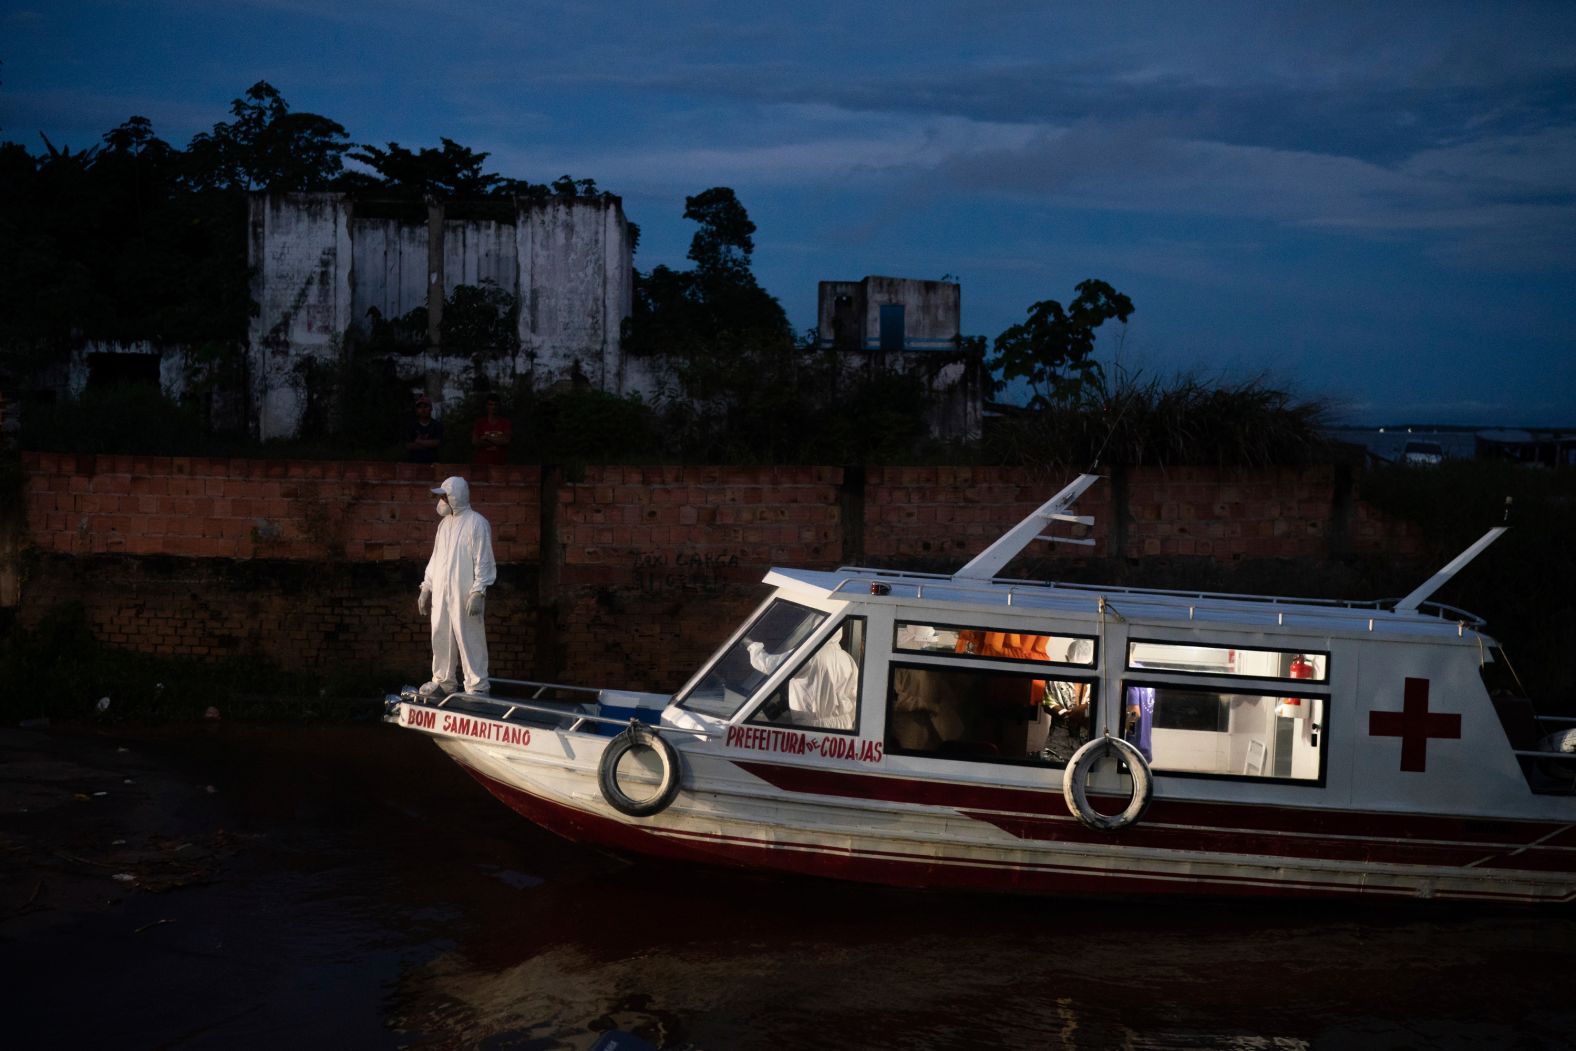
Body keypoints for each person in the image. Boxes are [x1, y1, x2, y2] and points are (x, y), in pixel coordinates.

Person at [418, 476, 496, 697]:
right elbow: (436, 559)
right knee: (440, 634)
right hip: (442, 592)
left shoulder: (477, 523)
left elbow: (484, 560)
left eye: (444, 496)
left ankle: (477, 685)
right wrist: (426, 587)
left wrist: (479, 591)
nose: (440, 501)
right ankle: (443, 681)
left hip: (464, 592)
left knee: (469, 636)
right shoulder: (444, 525)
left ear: (455, 497)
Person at [748, 630, 858, 730]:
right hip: (844, 726)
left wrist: (752, 647)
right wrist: (847, 720)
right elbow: (855, 696)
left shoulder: (810, 655)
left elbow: (771, 664)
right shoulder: (847, 658)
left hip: (812, 729)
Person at [470, 393, 512, 465]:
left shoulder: (505, 423)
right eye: (491, 404)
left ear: (499, 406)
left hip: (500, 465)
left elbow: (506, 440)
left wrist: (487, 438)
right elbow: (475, 441)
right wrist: (498, 441)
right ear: (486, 406)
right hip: (482, 464)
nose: (493, 407)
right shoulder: (480, 423)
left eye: (495, 404)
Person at [407, 394, 443, 463]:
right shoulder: (411, 426)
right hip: (414, 463)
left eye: (426, 407)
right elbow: (409, 446)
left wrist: (419, 442)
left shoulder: (437, 425)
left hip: (433, 463)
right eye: (420, 407)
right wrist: (429, 445)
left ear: (431, 408)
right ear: (416, 410)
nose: (423, 410)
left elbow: (438, 443)